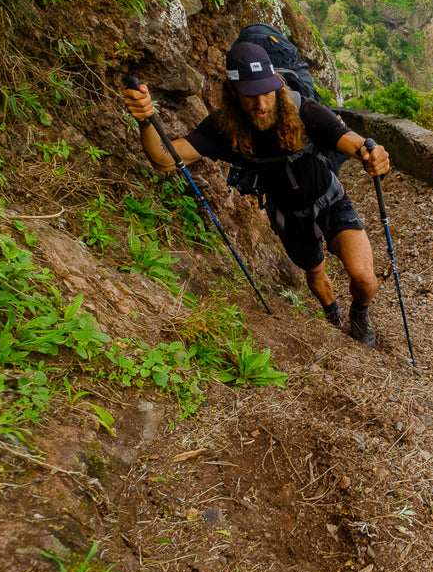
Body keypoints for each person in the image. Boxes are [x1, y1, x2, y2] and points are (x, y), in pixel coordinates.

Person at [122, 41, 390, 347]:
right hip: (289, 220)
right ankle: (333, 316)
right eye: (251, 95)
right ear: (234, 93)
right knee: (316, 275)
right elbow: (165, 158)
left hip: (330, 201)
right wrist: (146, 120)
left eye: (267, 91)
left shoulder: (304, 110)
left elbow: (349, 140)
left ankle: (359, 315)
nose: (261, 104)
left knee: (365, 279)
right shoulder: (224, 129)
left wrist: (371, 154)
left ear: (277, 86)